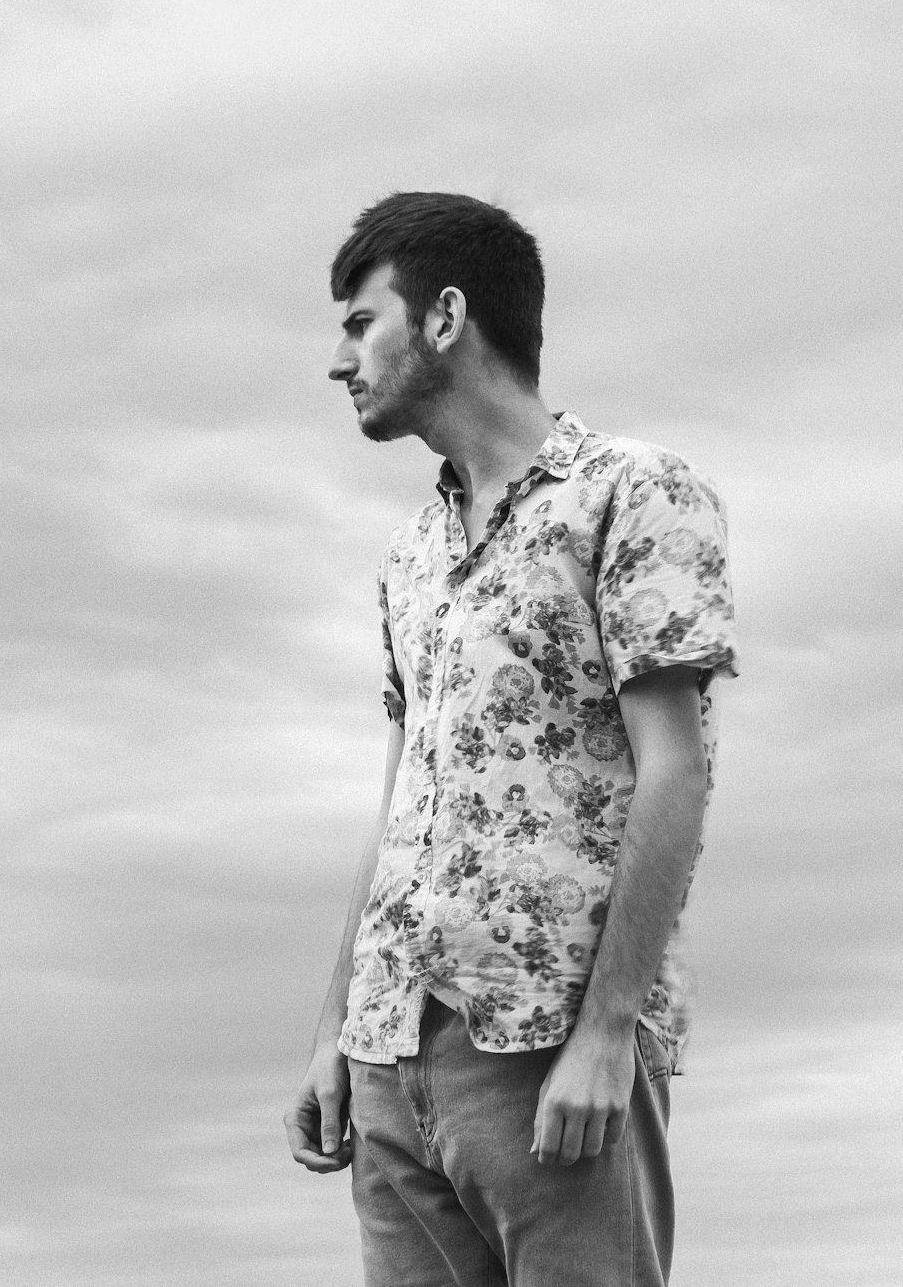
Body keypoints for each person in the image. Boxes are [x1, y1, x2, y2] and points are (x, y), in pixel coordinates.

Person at [284, 191, 738, 1286]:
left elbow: (675, 769)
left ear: (443, 318)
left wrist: (607, 1034)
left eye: (359, 323)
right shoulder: (407, 558)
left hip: (545, 1053)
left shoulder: (630, 494)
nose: (339, 361)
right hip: (393, 1060)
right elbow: (400, 805)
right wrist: (336, 1031)